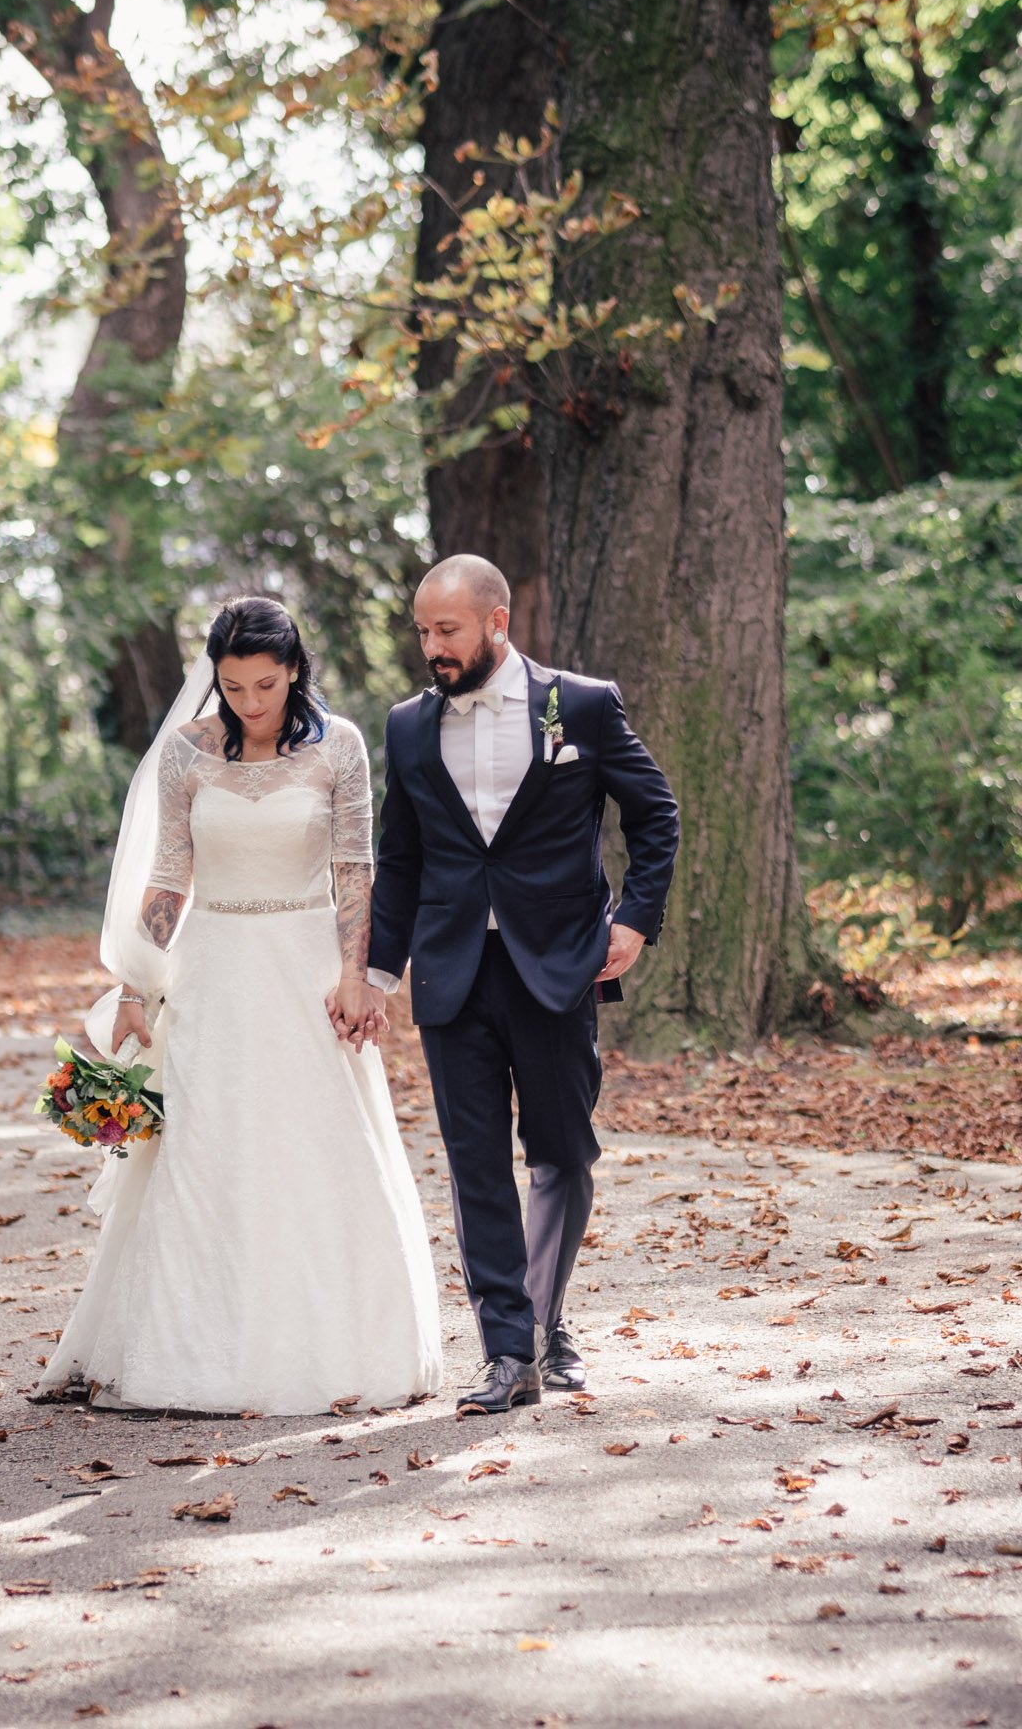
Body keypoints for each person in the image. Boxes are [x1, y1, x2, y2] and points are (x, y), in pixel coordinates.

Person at [35, 597, 441, 1414]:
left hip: (305, 967)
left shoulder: (342, 748)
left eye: (265, 684)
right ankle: (183, 1350)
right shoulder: (188, 753)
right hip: (211, 967)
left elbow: (355, 873)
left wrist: (357, 976)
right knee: (200, 1147)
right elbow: (168, 877)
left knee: (310, 1146)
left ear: (293, 671)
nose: (251, 702)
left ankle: (330, 1349)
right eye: (233, 686)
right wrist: (134, 985)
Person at [353, 555, 678, 1417]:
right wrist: (376, 973)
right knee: (475, 1168)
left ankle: (544, 1315)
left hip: (558, 963)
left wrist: (636, 919)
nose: (432, 647)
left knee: (564, 1152)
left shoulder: (582, 704)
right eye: (422, 631)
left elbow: (655, 814)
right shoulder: (409, 727)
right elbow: (402, 858)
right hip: (453, 969)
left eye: (447, 630)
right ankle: (509, 1349)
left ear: (496, 621)